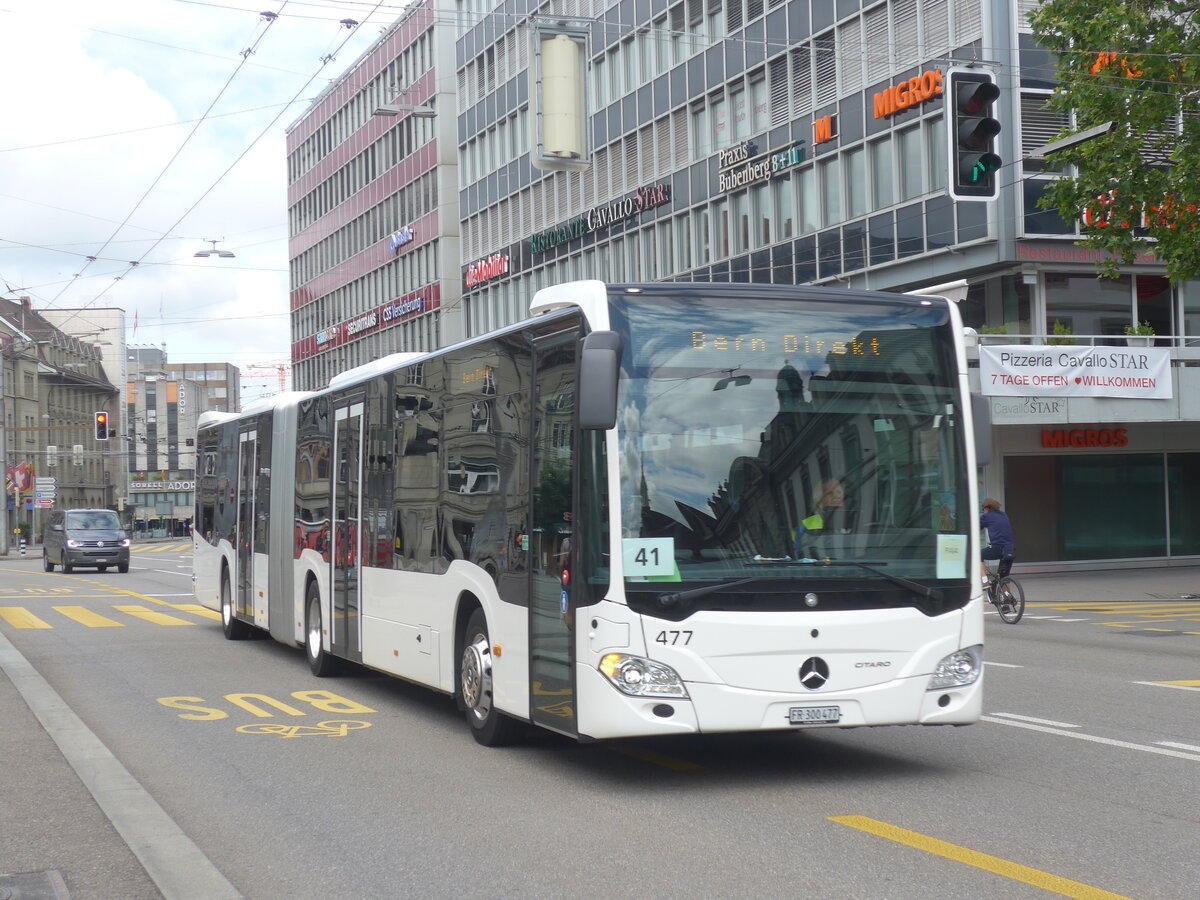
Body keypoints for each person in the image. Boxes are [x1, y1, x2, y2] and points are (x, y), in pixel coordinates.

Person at [980, 497, 1016, 583]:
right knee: (1004, 577)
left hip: (998, 549)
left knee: (978, 554)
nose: (983, 511)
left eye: (983, 509)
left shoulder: (986, 516)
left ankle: (984, 581)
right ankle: (1008, 596)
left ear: (987, 508)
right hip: (1010, 549)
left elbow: (975, 528)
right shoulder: (1004, 515)